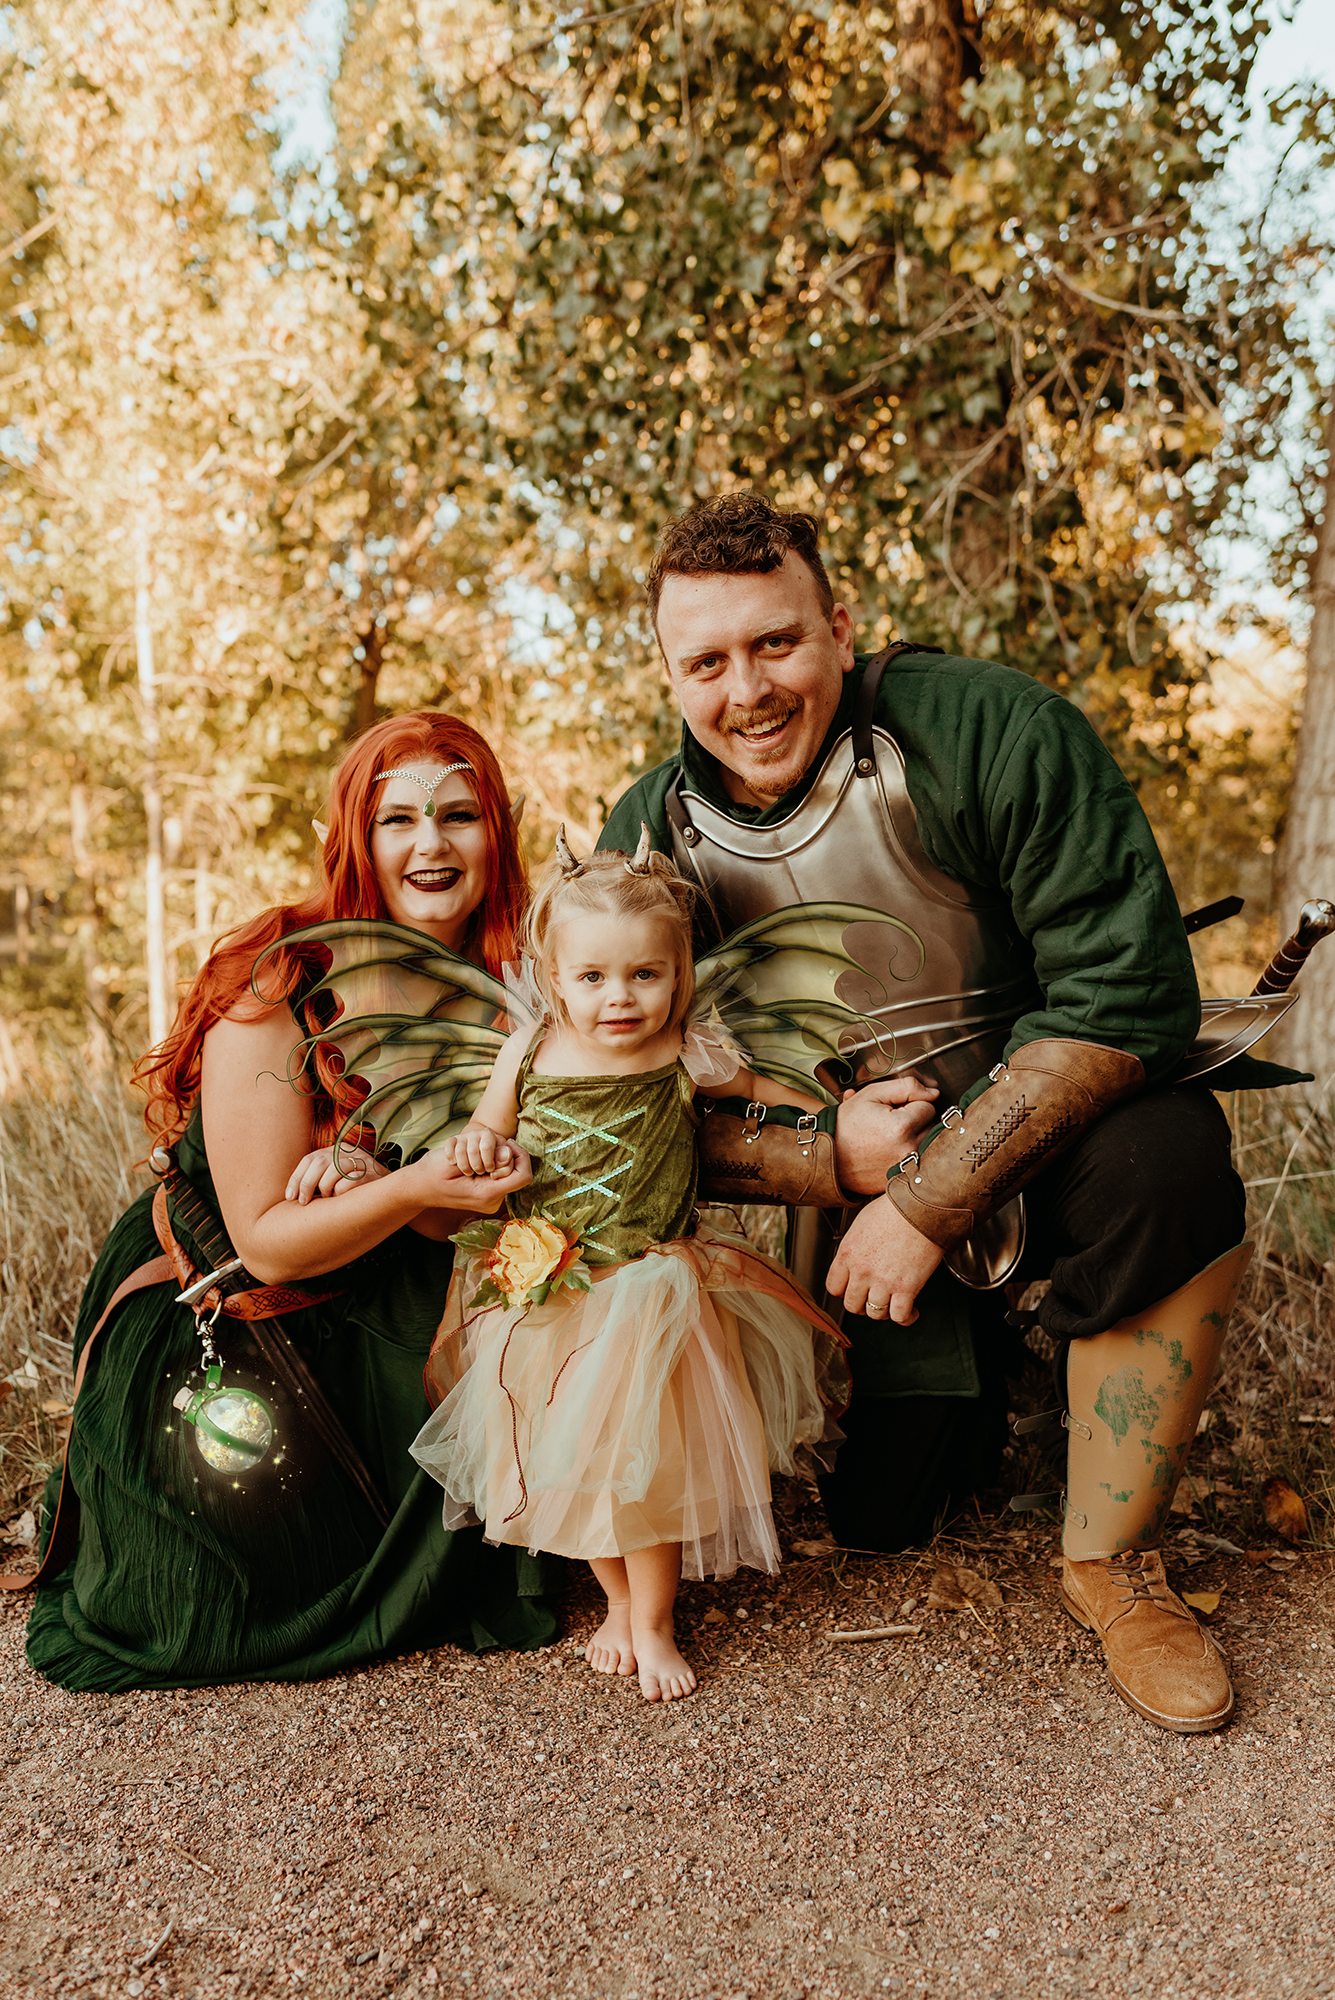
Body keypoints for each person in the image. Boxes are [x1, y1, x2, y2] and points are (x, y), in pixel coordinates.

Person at [598, 491, 1294, 1735]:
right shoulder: (654, 834)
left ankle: (1112, 1559)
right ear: (669, 675)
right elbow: (629, 1110)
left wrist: (928, 1192)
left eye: (777, 642)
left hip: (1060, 1153)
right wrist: (834, 1159)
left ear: (841, 627)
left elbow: (1128, 994)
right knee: (882, 1518)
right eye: (706, 661)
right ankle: (1007, 1381)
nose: (746, 689)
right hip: (855, 1207)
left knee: (1174, 1162)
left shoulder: (992, 729)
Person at [18, 713, 560, 1691]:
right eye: (398, 819)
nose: (430, 844)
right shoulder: (282, 976)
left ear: (496, 832)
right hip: (221, 1309)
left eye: (458, 815)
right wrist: (411, 1183)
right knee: (208, 1591)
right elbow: (267, 1242)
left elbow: (463, 1209)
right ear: (358, 835)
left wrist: (407, 1188)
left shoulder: (507, 984)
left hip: (384, 1286)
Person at [407, 835, 848, 1702]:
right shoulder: (527, 1052)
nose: (619, 997)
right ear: (552, 975)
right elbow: (488, 1134)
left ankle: (653, 1619)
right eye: (593, 978)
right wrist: (475, 1147)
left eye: (645, 976)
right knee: (566, 1470)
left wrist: (831, 1107)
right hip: (547, 1297)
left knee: (643, 1473)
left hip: (651, 1293)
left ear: (678, 975)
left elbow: (768, 1093)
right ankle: (614, 1602)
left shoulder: (684, 1050)